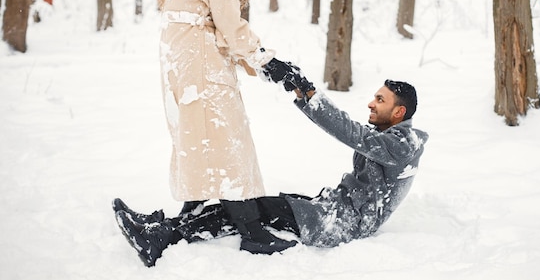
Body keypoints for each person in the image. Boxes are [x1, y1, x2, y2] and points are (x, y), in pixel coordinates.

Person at [114, 67, 429, 267]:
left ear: (399, 111)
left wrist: (307, 94)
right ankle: (164, 227)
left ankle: (164, 238)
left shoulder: (402, 145)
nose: (371, 103)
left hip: (342, 223)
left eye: (380, 100)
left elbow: (349, 131)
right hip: (333, 208)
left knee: (252, 209)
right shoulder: (393, 136)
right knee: (253, 207)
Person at [114, 0, 297, 253]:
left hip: (183, 68)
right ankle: (253, 233)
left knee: (200, 146)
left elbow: (211, 25)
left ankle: (165, 227)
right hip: (203, 70)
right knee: (228, 146)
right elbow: (230, 27)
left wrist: (253, 60)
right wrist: (267, 60)